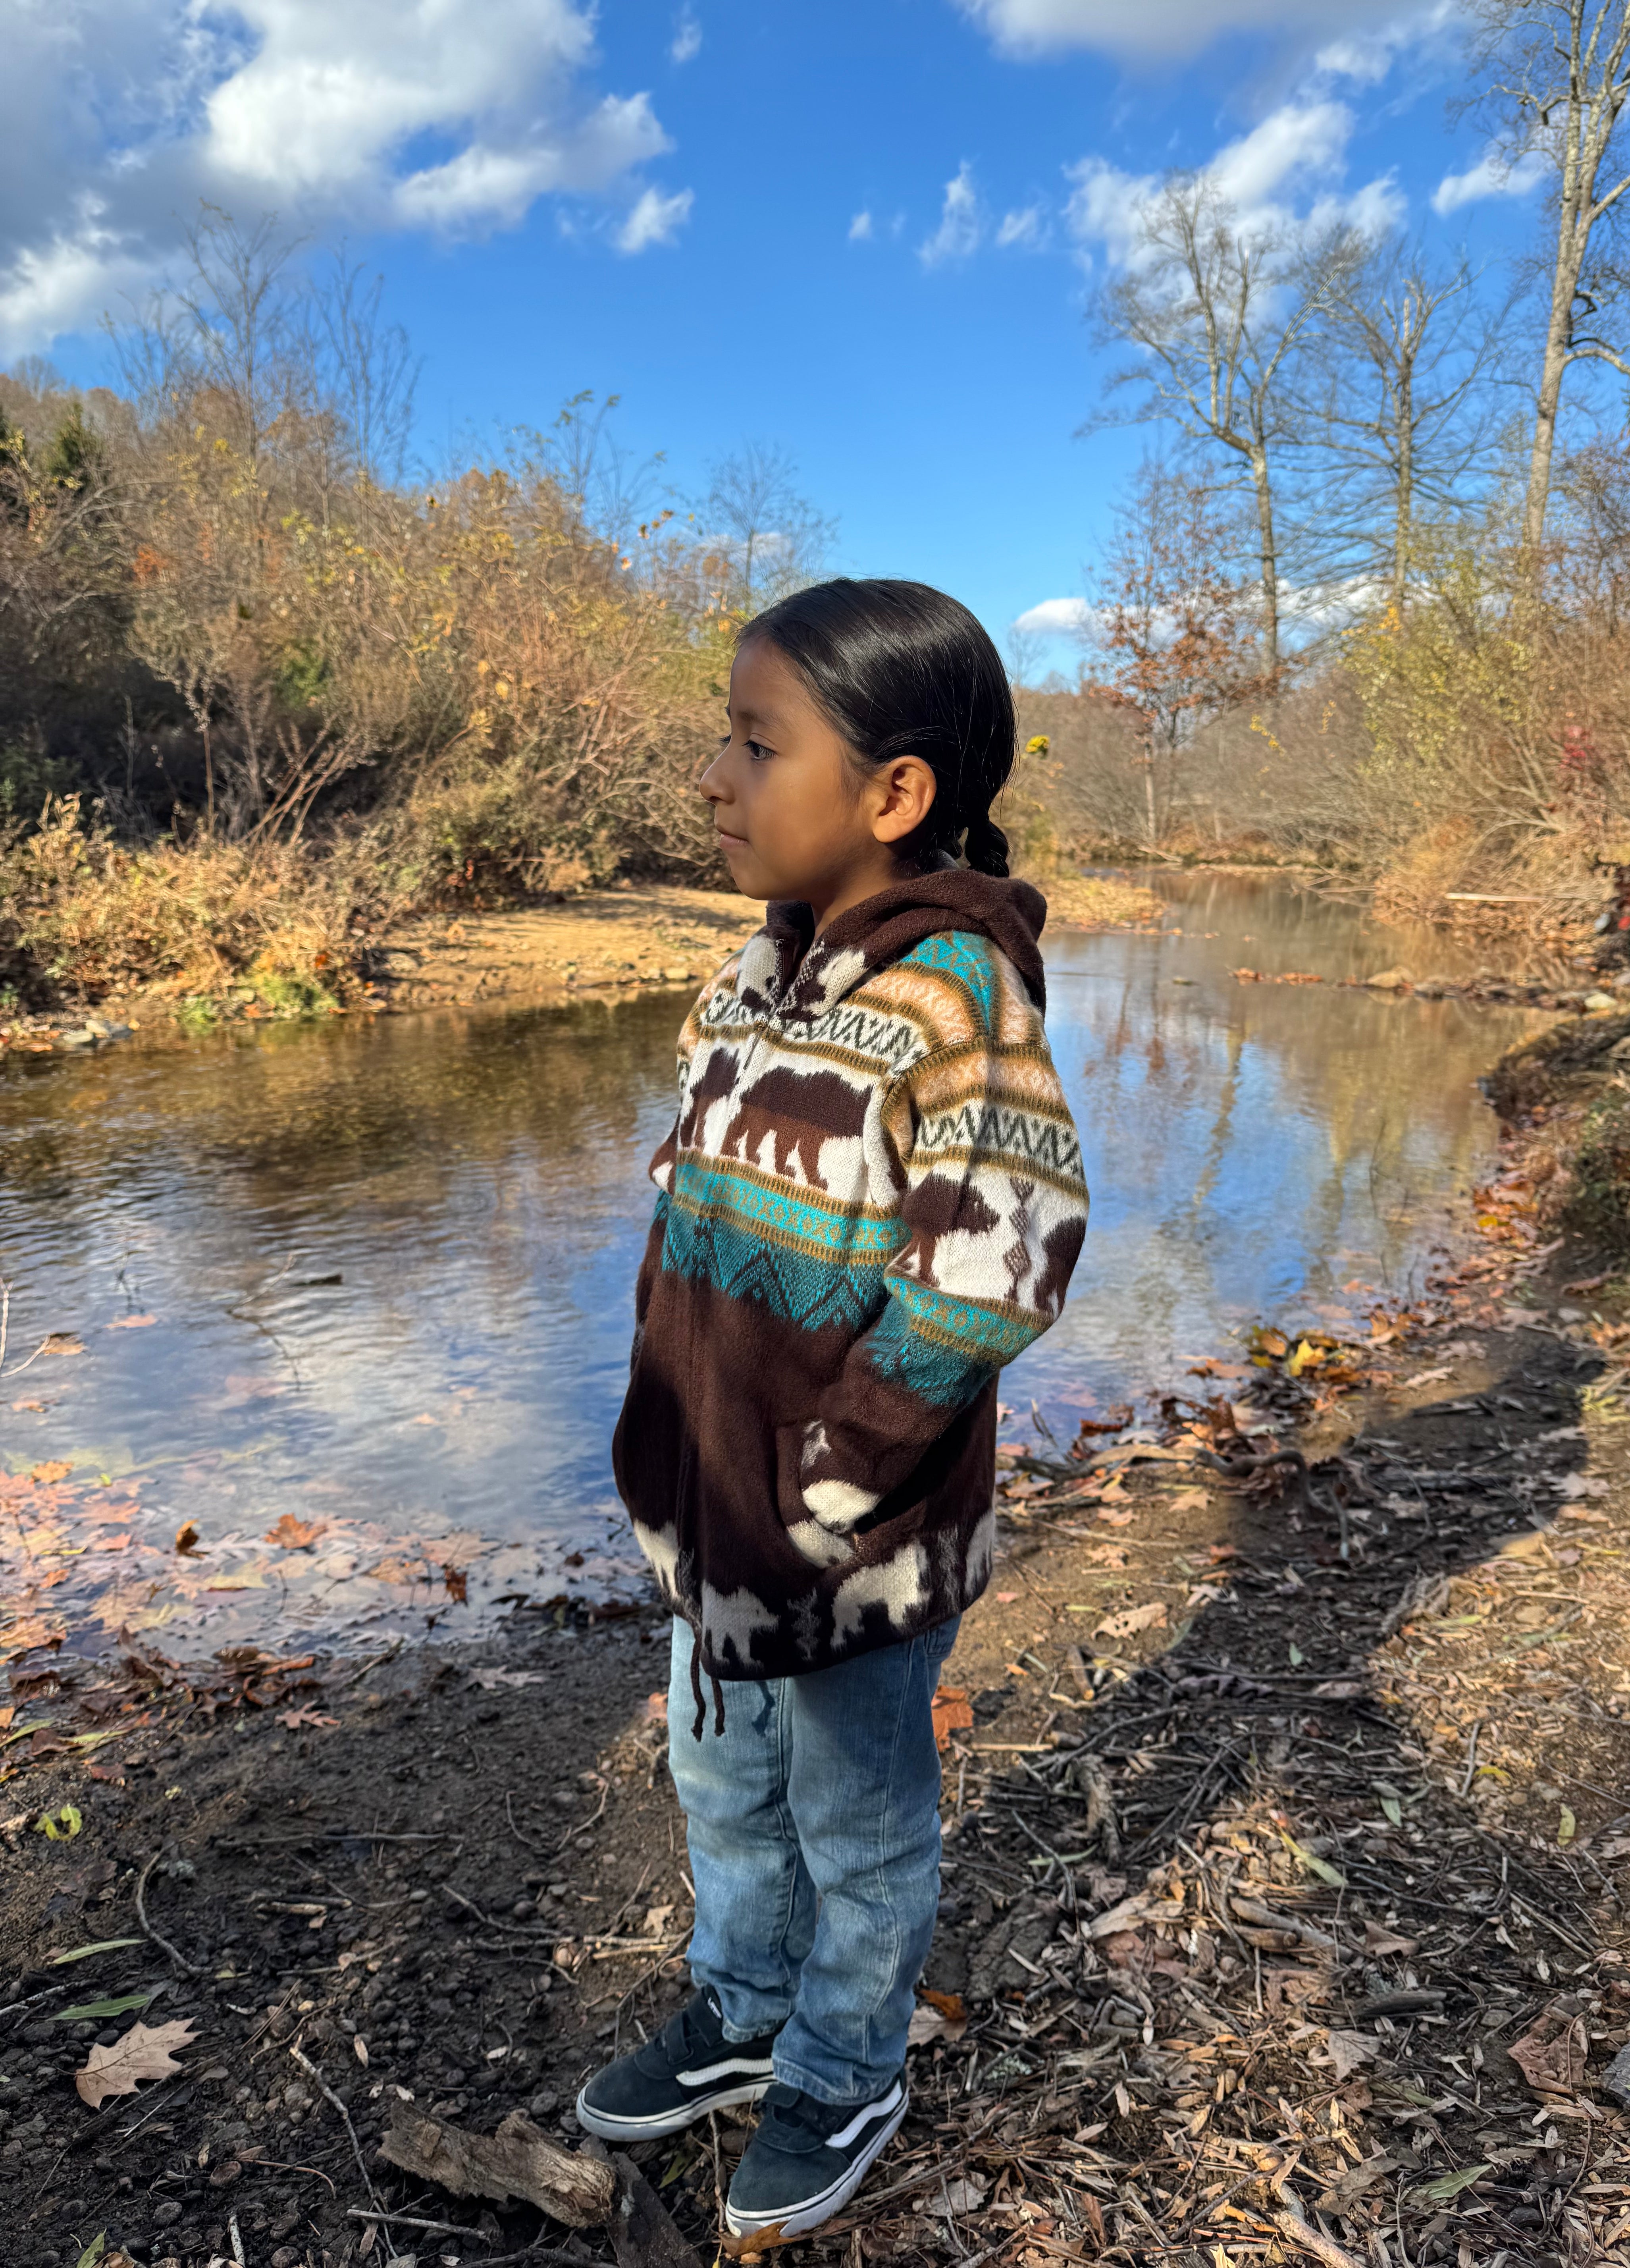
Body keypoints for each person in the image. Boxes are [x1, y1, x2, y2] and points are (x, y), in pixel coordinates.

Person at [576, 578, 1088, 2240]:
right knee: (722, 1781)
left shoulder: (954, 996)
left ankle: (846, 2060)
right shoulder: (749, 978)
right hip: (717, 1511)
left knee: (857, 1818)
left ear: (895, 794)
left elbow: (999, 1263)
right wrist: (666, 1445)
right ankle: (742, 2005)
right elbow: (692, 1221)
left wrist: (839, 1476)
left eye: (753, 744)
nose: (714, 780)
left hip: (847, 1535)